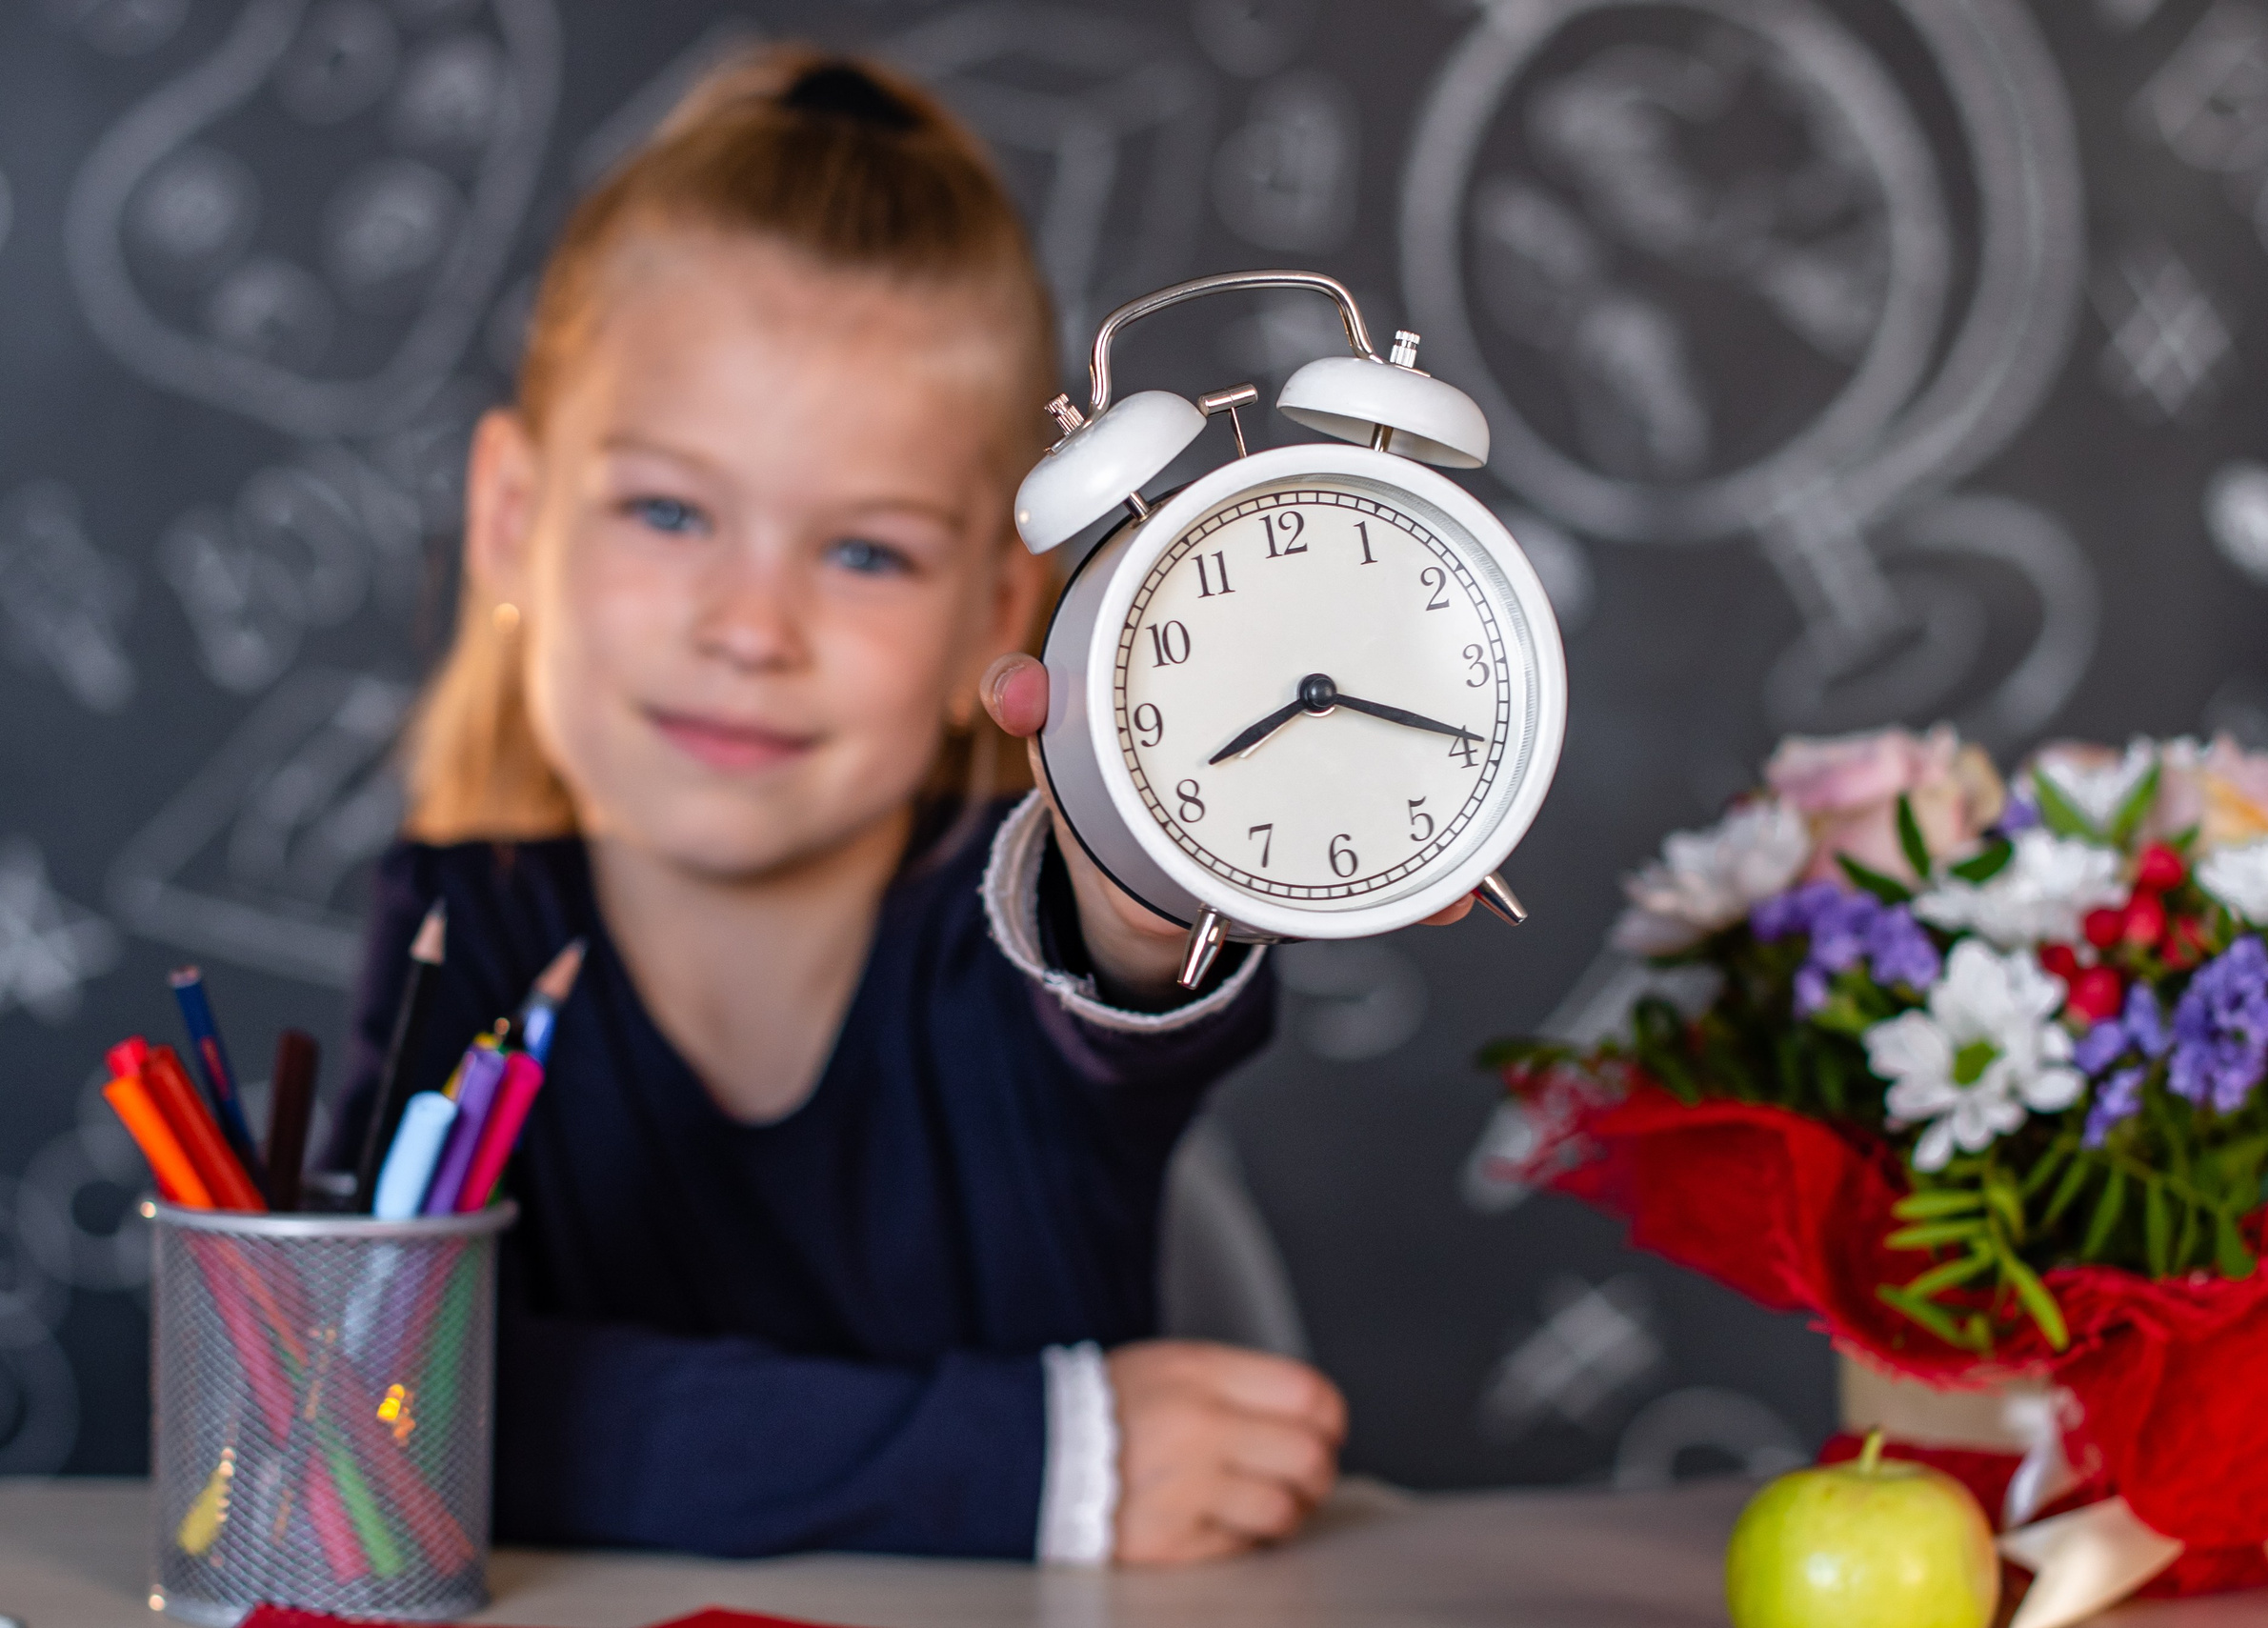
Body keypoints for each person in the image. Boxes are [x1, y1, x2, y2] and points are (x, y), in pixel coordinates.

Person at [329, 47, 1461, 1565]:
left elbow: (1116, 973)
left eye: (865, 554)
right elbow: (372, 1408)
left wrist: (1143, 876)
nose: (751, 626)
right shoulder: (460, 927)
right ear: (513, 523)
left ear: (998, 612)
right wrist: (1028, 1458)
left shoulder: (1018, 954)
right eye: (670, 512)